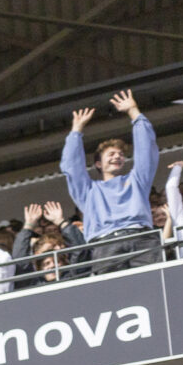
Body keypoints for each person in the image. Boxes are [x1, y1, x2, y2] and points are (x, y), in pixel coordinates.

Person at [61, 89, 160, 272]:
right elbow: (72, 167)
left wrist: (134, 113)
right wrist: (76, 131)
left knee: (154, 289)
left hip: (142, 239)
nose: (117, 157)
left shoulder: (137, 181)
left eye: (121, 154)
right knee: (114, 296)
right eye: (111, 154)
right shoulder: (88, 191)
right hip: (105, 244)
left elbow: (147, 151)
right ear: (98, 163)